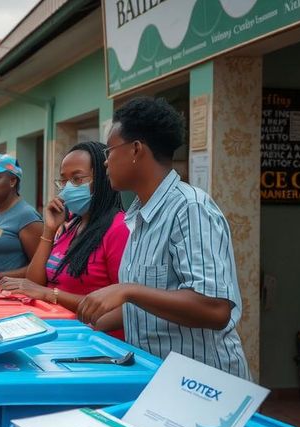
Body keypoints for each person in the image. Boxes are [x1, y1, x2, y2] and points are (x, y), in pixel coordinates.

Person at [77, 97, 250, 379]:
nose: (106, 162)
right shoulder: (140, 215)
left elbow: (216, 309)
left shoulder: (190, 208)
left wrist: (128, 290)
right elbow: (150, 306)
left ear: (135, 150)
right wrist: (84, 326)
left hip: (203, 383)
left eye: (110, 151)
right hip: (157, 377)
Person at [0, 141, 130, 334]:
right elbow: (34, 283)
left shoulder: (119, 228)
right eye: (64, 181)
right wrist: (49, 230)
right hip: (53, 328)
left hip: (90, 339)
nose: (67, 189)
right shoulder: (71, 226)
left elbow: (121, 307)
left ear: (102, 179)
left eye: (77, 179)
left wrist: (51, 294)